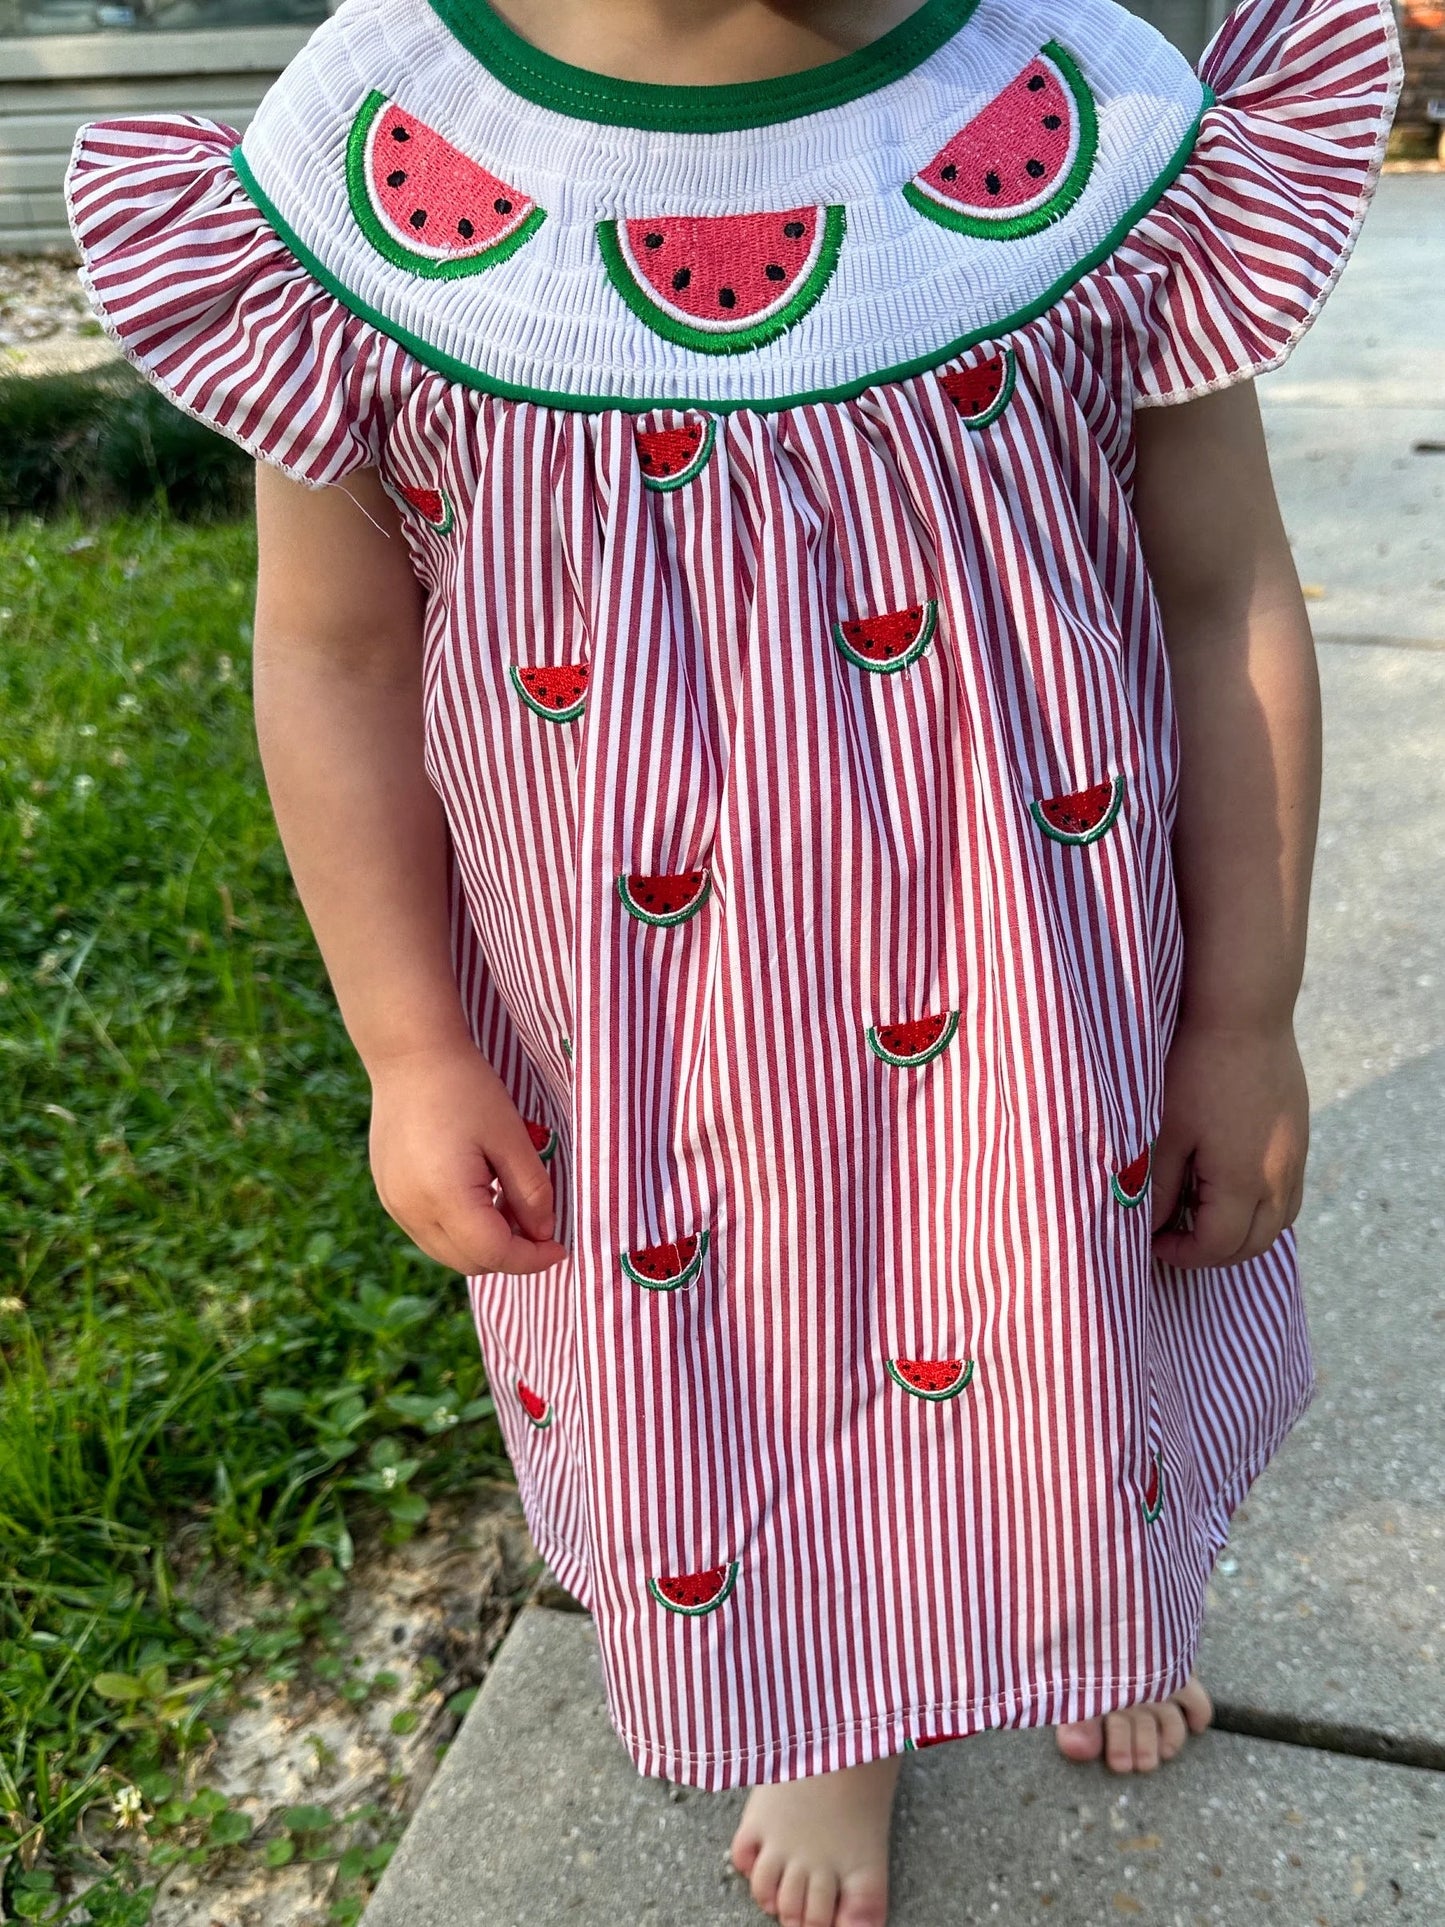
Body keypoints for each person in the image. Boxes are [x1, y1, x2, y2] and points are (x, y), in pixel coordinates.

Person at [65, 0, 1400, 1918]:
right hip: (651, 1043)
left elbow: (1221, 587)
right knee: (745, 1372)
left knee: (1080, 1326)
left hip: (1038, 996)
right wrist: (409, 1045)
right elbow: (335, 651)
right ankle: (829, 1702)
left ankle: (1099, 1599)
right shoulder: (372, 149)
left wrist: (1242, 1015)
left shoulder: (1084, 108)